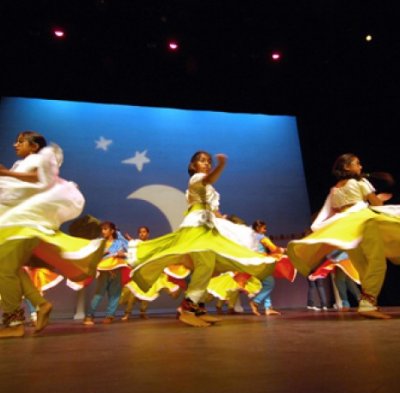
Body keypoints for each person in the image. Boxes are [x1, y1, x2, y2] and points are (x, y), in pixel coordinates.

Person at [127, 151, 276, 327]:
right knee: (205, 264)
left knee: (208, 266)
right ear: (194, 166)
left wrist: (225, 221)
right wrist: (221, 166)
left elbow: (213, 210)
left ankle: (197, 307)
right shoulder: (196, 179)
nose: (207, 164)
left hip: (207, 227)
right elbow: (208, 180)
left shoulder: (209, 189)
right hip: (196, 226)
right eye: (202, 161)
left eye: (209, 162)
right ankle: (187, 308)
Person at [0, 130, 104, 338]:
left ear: (35, 146)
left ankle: (14, 323)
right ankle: (41, 304)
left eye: (21, 142)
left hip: (24, 226)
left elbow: (41, 178)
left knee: (4, 269)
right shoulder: (22, 163)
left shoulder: (39, 159)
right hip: (18, 224)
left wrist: (6, 174)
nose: (15, 145)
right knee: (11, 268)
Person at [287, 153, 400, 319]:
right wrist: (380, 198)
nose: (360, 166)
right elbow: (375, 204)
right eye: (357, 163)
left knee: (362, 266)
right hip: (364, 221)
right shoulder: (360, 182)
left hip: (347, 228)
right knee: (376, 263)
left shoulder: (335, 189)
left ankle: (368, 303)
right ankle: (368, 304)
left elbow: (337, 210)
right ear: (347, 167)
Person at [83, 221, 128, 325]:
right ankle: (89, 316)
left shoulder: (119, 242)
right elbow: (93, 255)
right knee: (98, 294)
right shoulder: (99, 242)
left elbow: (128, 254)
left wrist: (122, 254)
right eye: (102, 229)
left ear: (112, 231)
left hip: (116, 269)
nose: (103, 231)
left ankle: (110, 316)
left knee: (115, 294)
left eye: (105, 229)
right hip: (104, 270)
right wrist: (103, 252)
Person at [249, 220, 283, 316]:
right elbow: (273, 248)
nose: (265, 230)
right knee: (270, 283)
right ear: (258, 228)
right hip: (261, 263)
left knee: (266, 284)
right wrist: (284, 250)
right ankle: (255, 302)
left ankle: (268, 308)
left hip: (253, 263)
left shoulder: (250, 238)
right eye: (264, 228)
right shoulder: (262, 238)